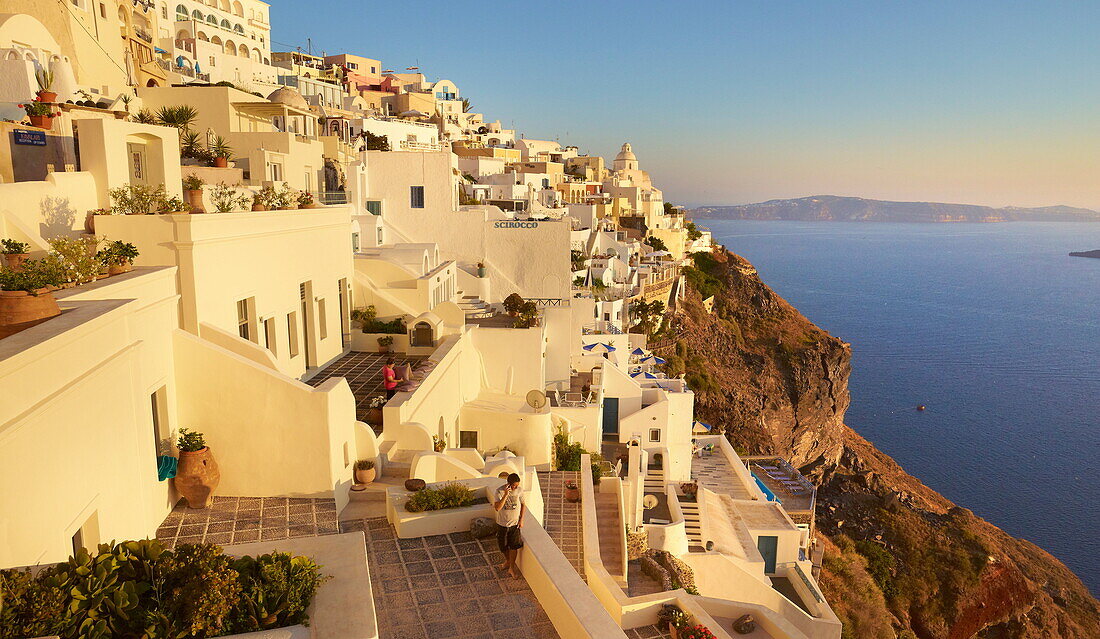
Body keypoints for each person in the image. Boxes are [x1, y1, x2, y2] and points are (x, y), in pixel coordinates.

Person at [493, 472, 526, 578]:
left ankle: (511, 567)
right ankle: (507, 561)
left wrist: (521, 519)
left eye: (517, 485)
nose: (516, 487)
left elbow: (523, 504)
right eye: (514, 485)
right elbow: (498, 508)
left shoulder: (520, 490)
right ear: (509, 484)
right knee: (502, 546)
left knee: (514, 546)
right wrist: (506, 495)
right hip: (502, 524)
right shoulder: (499, 491)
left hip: (515, 524)